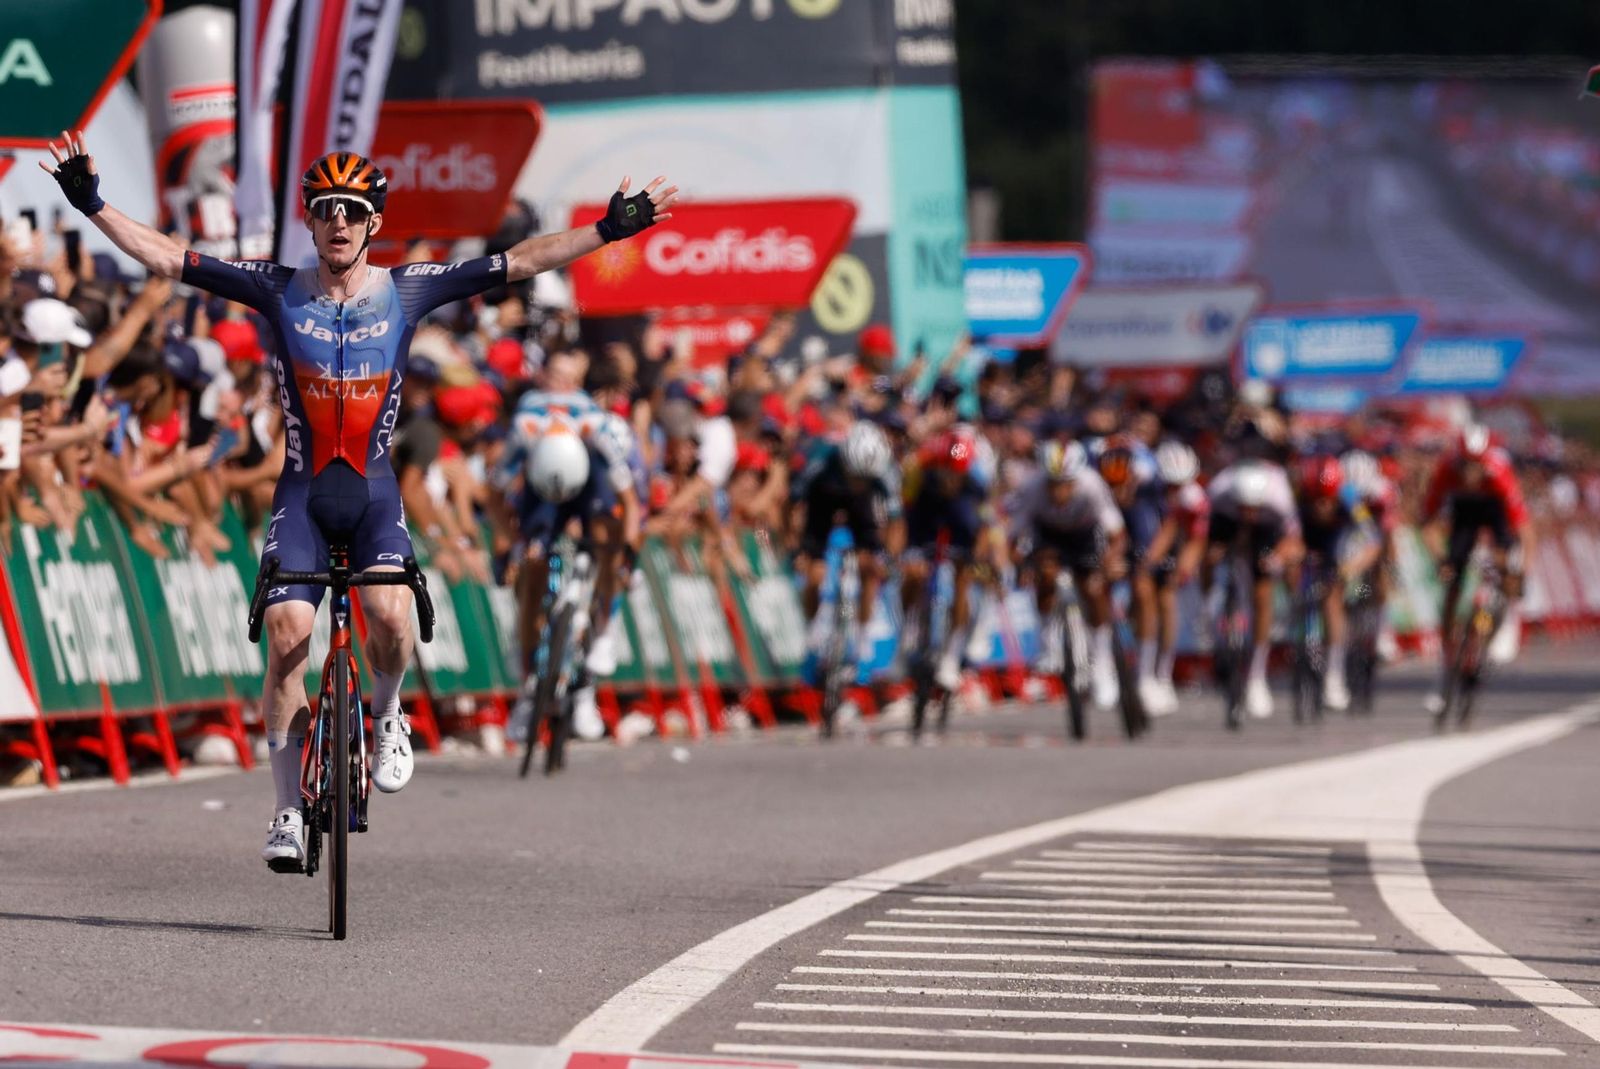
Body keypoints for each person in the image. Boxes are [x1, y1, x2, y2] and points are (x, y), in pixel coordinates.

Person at [44, 129, 677, 870]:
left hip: (373, 493)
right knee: (285, 633)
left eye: (351, 209)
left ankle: (385, 714)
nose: (337, 221)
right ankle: (285, 809)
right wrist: (92, 204)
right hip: (304, 491)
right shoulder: (274, 287)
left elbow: (522, 260)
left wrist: (608, 229)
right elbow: (167, 257)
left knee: (390, 614)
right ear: (309, 222)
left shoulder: (411, 288)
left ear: (373, 223)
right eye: (324, 209)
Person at [494, 347, 643, 745]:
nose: (559, 388)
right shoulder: (526, 427)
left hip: (588, 484)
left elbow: (629, 504)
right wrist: (505, 541)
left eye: (567, 379)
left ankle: (603, 633)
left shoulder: (597, 429)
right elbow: (494, 491)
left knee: (605, 537)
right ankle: (530, 688)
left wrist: (627, 553)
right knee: (533, 571)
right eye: (553, 376)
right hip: (542, 493)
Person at [1009, 440, 1127, 712]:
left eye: (1066, 484)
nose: (1060, 491)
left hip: (1084, 536)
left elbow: (1117, 536)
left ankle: (1101, 663)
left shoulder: (1092, 486)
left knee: (1093, 590)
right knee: (1045, 575)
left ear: (1076, 479)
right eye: (1054, 484)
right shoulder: (1032, 488)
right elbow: (1013, 536)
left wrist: (1110, 562)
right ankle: (1048, 646)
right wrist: (1017, 564)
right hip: (1048, 535)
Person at [1420, 424, 1531, 711]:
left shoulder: (1499, 473)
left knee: (1506, 565)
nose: (1470, 473)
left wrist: (1521, 572)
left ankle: (1502, 626)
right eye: (1465, 465)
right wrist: (1441, 558)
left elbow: (1526, 531)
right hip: (1465, 517)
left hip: (1495, 513)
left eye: (1476, 466)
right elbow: (1428, 525)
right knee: (1451, 581)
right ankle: (1445, 668)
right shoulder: (1446, 470)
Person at [788, 419, 901, 675]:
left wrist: (889, 558)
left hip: (861, 507)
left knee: (870, 566)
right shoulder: (822, 458)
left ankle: (863, 636)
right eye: (855, 476)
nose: (858, 482)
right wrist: (796, 548)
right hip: (822, 503)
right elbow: (793, 505)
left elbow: (896, 521)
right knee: (815, 574)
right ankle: (811, 626)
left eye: (865, 478)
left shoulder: (883, 471)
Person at [1203, 457, 1303, 719]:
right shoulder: (1220, 492)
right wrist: (1212, 556)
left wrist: (1277, 559)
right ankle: (1211, 608)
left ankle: (1257, 675)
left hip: (1267, 532)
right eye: (1244, 507)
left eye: (1252, 508)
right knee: (1210, 557)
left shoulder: (1278, 500)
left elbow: (1293, 541)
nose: (1248, 513)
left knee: (1262, 591)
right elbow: (1202, 533)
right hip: (1226, 522)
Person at [899, 425, 996, 690]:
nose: (951, 481)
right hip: (926, 522)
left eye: (957, 476)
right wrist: (908, 553)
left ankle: (952, 654)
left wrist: (977, 557)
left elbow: (986, 526)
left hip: (961, 527)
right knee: (912, 572)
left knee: (963, 581)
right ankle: (908, 628)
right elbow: (906, 518)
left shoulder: (976, 482)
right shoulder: (920, 474)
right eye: (946, 474)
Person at [1293, 455, 1381, 712]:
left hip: (1341, 541)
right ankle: (1304, 639)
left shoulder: (1351, 499)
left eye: (1327, 500)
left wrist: (1351, 568)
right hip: (1310, 537)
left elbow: (1372, 543)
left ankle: (1334, 673)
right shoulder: (1300, 497)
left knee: (1332, 597)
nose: (1322, 505)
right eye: (1316, 500)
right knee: (1298, 576)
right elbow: (1288, 536)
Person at [1137, 440, 1209, 715]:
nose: (1175, 491)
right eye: (1170, 486)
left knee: (1167, 600)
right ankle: (1142, 673)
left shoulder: (1195, 498)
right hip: (1146, 539)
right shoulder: (1145, 489)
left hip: (1176, 544)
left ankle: (1162, 673)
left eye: (1180, 486)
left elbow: (1196, 540)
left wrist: (1183, 568)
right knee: (1143, 597)